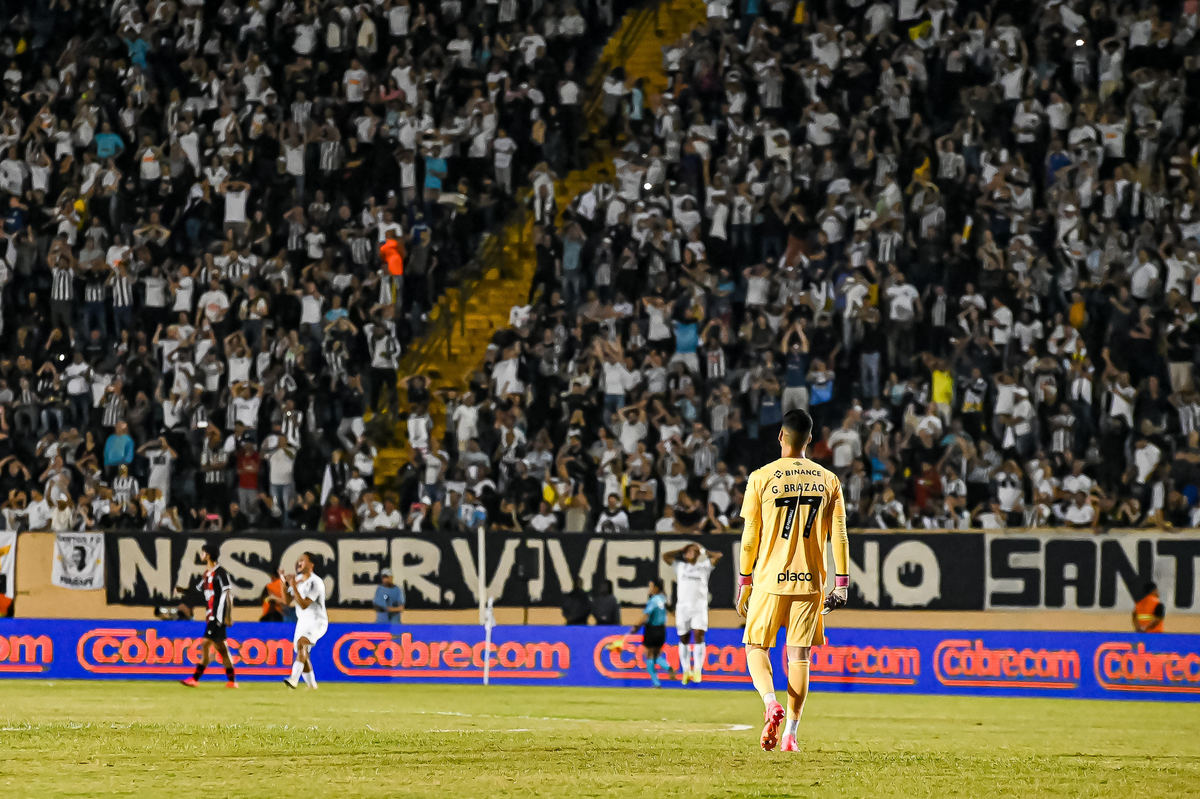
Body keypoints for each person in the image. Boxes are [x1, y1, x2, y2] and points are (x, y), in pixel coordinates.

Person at [736, 409, 849, 752]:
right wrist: (841, 582)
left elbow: (750, 534)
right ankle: (791, 736)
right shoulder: (828, 480)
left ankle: (771, 703)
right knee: (799, 655)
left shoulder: (762, 476)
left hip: (770, 578)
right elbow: (839, 535)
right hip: (811, 581)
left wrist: (744, 580)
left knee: (756, 646)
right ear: (810, 440)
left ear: (781, 437)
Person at [178, 542, 238, 688]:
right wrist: (183, 590)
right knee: (222, 649)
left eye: (203, 552)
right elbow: (197, 590)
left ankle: (195, 678)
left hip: (217, 617)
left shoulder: (220, 573)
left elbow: (228, 594)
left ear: (208, 555)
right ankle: (232, 681)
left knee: (205, 643)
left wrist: (228, 616)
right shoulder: (207, 574)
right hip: (210, 615)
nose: (201, 554)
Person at [663, 543, 722, 685]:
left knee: (699, 635)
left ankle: (697, 670)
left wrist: (704, 550)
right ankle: (685, 671)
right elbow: (665, 556)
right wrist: (681, 549)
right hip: (683, 608)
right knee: (684, 639)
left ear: (697, 554)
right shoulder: (680, 566)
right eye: (687, 551)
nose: (689, 553)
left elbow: (718, 555)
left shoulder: (704, 567)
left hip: (699, 608)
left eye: (692, 551)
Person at [282, 552, 328, 689]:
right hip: (302, 622)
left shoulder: (316, 582)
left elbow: (303, 604)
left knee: (302, 644)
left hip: (317, 621)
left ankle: (293, 679)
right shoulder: (299, 579)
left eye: (302, 560)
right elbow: (287, 600)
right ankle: (312, 686)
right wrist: (284, 583)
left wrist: (293, 585)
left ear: (311, 564)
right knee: (302, 653)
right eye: (298, 560)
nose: (299, 563)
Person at [626, 578, 674, 687]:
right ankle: (668, 667)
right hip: (662, 630)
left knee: (649, 656)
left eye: (651, 586)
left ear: (656, 588)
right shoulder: (663, 599)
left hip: (652, 630)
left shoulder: (653, 600)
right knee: (656, 655)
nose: (650, 589)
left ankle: (656, 682)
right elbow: (672, 612)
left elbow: (646, 615)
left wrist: (636, 626)